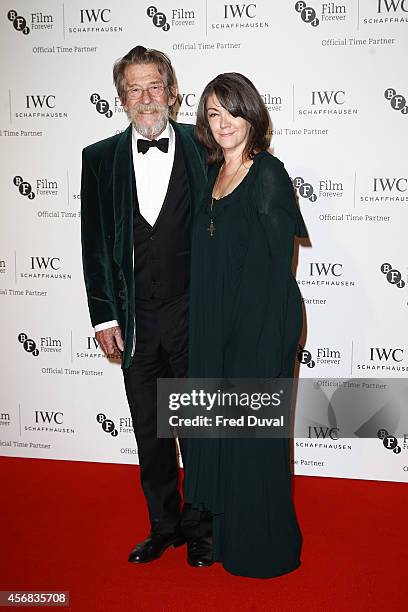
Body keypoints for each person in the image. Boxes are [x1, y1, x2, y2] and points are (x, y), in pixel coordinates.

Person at [80, 46, 212, 567]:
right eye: (133, 88)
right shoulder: (99, 158)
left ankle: (203, 527)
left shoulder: (204, 145)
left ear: (173, 92)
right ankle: (164, 526)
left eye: (154, 85)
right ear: (121, 99)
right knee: (151, 431)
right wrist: (104, 315)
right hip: (135, 320)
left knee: (200, 429)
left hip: (194, 313)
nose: (145, 97)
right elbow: (94, 243)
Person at [183, 72, 308, 578]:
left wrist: (257, 338)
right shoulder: (212, 174)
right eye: (212, 114)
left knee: (254, 444)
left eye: (231, 110)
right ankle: (231, 539)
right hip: (217, 330)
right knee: (225, 440)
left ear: (251, 114)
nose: (223, 123)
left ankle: (266, 549)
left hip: (259, 330)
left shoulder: (268, 173)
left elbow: (280, 267)